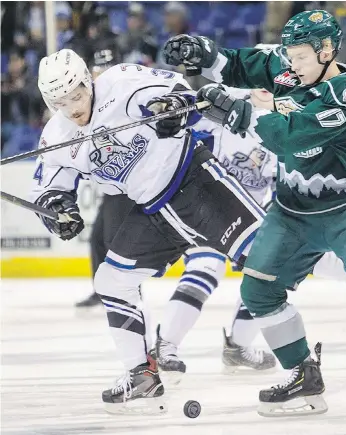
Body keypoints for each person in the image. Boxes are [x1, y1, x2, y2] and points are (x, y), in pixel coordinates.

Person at [162, 9, 346, 416]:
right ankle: (301, 374)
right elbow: (240, 65)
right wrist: (203, 53)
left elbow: (294, 140)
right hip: (294, 208)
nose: (291, 64)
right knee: (257, 291)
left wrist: (241, 114)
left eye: (299, 56)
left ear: (327, 50)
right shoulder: (291, 67)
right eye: (289, 56)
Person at [30, 48, 267, 414]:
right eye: (61, 102)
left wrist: (172, 108)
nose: (73, 107)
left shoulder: (121, 81)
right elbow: (49, 189)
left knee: (268, 259)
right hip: (155, 210)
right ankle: (141, 373)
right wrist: (58, 210)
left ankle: (302, 367)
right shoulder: (57, 135)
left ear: (87, 81)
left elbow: (175, 90)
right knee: (110, 281)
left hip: (195, 181)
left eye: (76, 95)